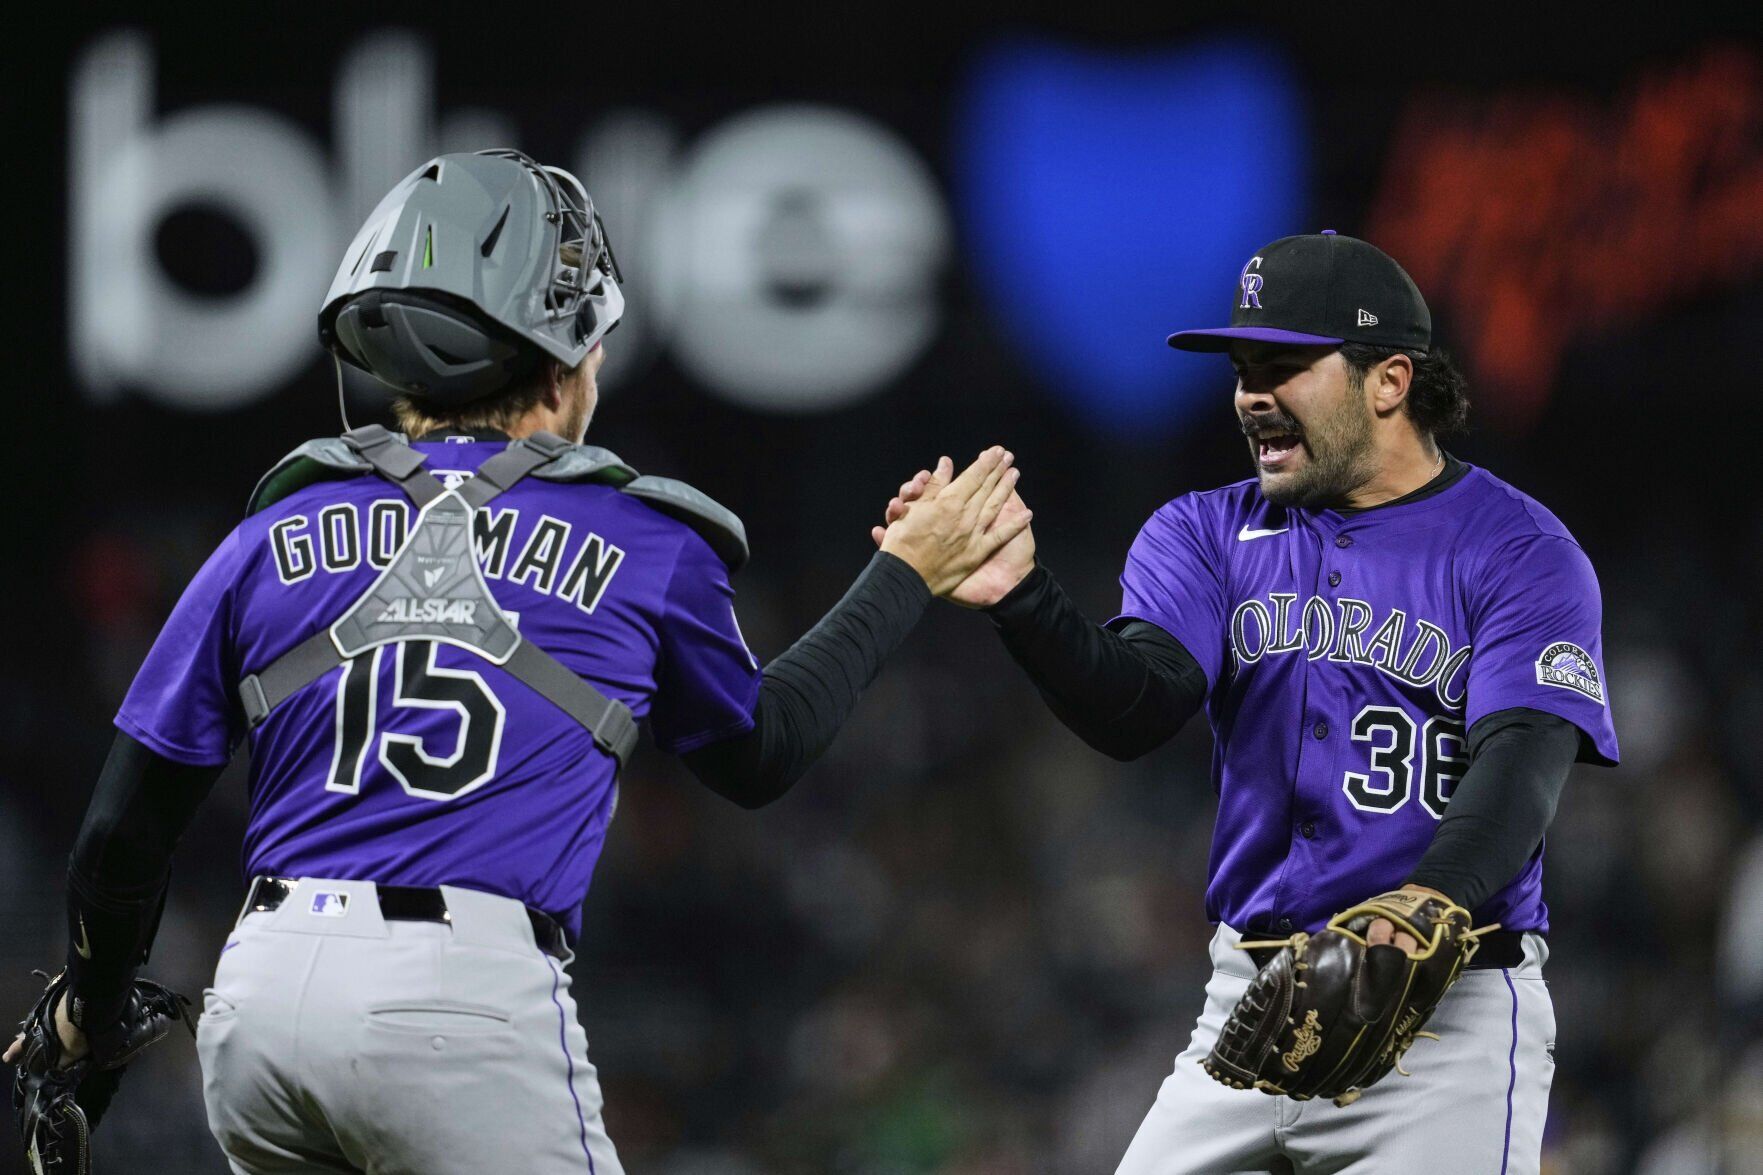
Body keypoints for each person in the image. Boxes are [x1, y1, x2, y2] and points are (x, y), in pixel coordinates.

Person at [9, 148, 1027, 1174]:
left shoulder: (270, 534)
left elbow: (120, 833)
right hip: (459, 1002)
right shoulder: (643, 539)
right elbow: (761, 752)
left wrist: (89, 1015)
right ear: (560, 359)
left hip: (262, 996)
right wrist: (905, 570)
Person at [882, 231, 1618, 1174]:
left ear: (1389, 381)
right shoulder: (1204, 530)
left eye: (1283, 366)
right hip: (1249, 1000)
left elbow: (1521, 761)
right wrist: (1021, 601)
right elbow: (1137, 705)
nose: (1249, 395)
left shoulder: (1518, 549)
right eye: (1242, 369)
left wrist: (1427, 901)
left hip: (1446, 1014)